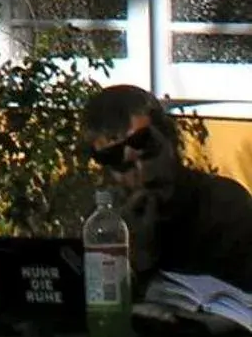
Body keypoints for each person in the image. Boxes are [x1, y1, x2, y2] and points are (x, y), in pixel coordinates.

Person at [81, 83, 252, 294]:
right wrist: (130, 255)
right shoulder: (108, 222)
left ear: (171, 139)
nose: (143, 173)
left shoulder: (223, 204)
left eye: (149, 152)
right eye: (123, 165)